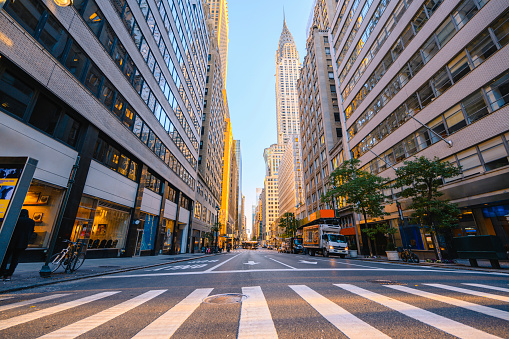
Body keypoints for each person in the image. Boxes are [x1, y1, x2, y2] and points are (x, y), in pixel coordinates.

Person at [1, 209, 35, 281]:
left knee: (6, 258)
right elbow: (31, 232)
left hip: (11, 242)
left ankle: (1, 273)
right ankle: (9, 275)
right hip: (22, 243)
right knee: (15, 258)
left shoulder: (16, 220)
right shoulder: (31, 222)